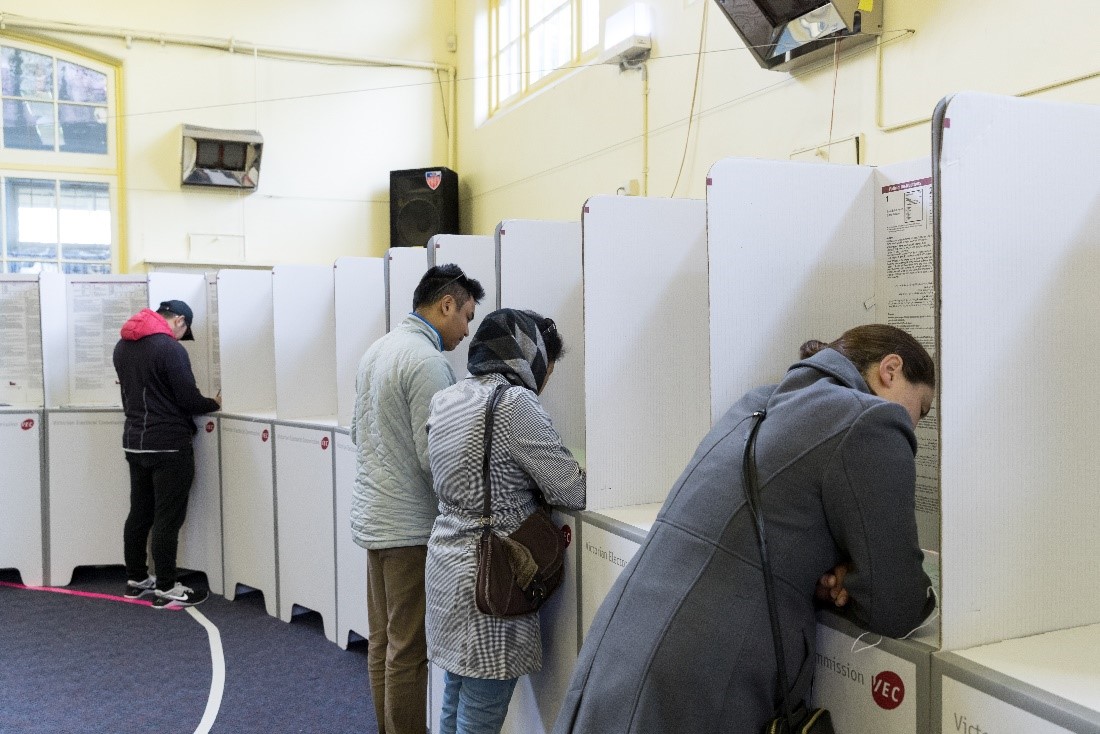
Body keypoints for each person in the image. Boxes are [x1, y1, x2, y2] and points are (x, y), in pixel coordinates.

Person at [553, 323, 937, 733]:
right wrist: (849, 582)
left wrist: (827, 576)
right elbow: (897, 604)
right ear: (890, 370)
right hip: (699, 676)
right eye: (922, 409)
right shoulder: (873, 422)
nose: (915, 425)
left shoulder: (758, 402)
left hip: (623, 642)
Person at [425, 308, 586, 734]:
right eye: (546, 368)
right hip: (491, 580)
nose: (546, 379)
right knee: (478, 718)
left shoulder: (448, 399)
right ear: (528, 357)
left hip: (446, 566)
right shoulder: (514, 403)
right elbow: (571, 490)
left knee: (453, 701)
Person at [351, 263, 486, 734]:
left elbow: (358, 434)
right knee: (409, 650)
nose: (467, 330)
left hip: (374, 518)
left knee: (383, 642)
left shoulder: (377, 351)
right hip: (409, 528)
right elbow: (438, 457)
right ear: (445, 304)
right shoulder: (428, 363)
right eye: (466, 316)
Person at [113, 299, 221, 609]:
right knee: (167, 517)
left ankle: (136, 580)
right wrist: (214, 403)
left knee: (140, 512)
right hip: (169, 444)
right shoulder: (170, 349)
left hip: (135, 441)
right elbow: (187, 398)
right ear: (179, 321)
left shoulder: (122, 346)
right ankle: (166, 587)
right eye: (184, 329)